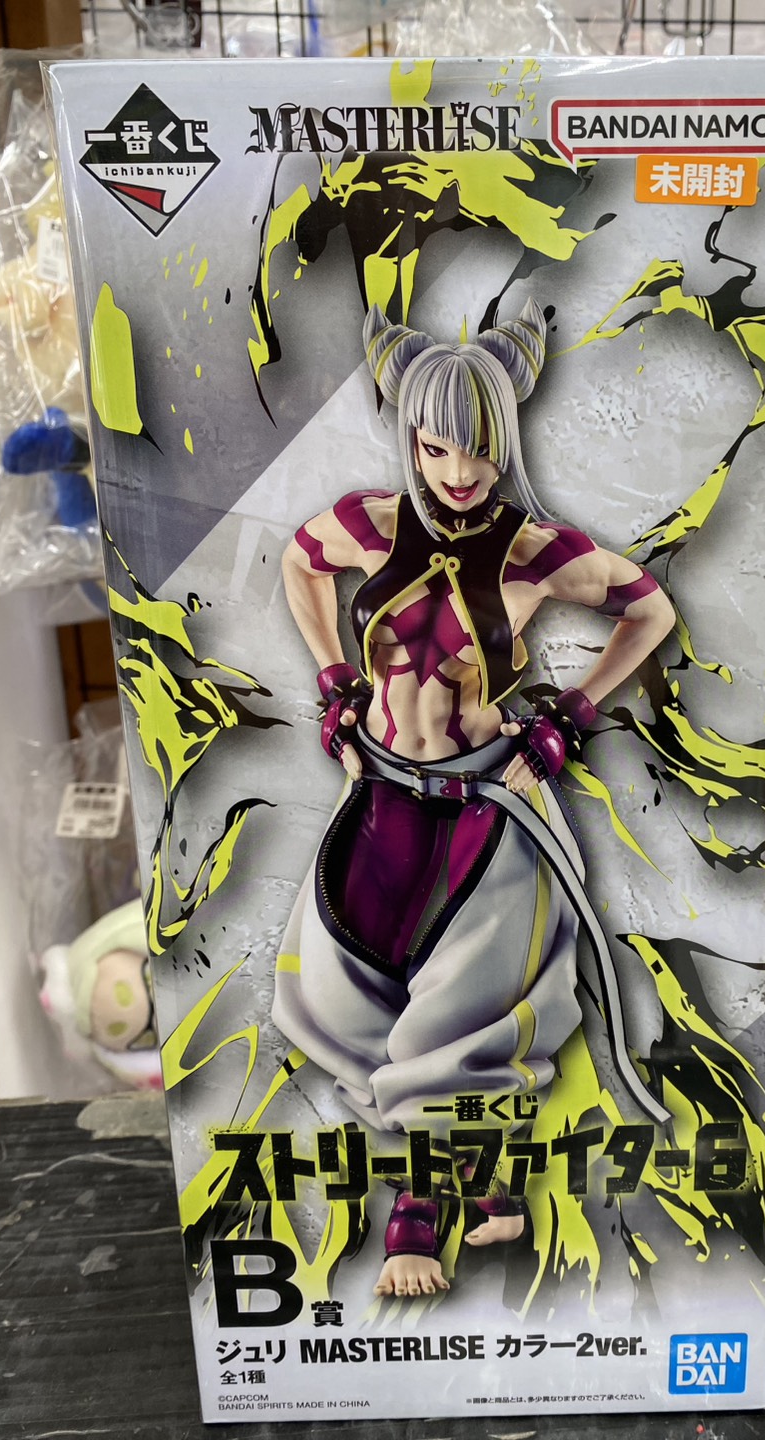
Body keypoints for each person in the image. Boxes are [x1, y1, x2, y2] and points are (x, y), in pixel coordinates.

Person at [273, 298, 675, 1298]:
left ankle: (419, 1213)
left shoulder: (533, 551)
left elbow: (650, 609)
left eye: (481, 450)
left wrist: (568, 717)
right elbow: (299, 562)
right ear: (413, 437)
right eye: (439, 446)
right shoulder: (371, 524)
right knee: (347, 999)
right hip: (380, 796)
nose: (460, 471)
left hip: (486, 809)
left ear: (507, 442)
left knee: (461, 1017)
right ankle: (489, 1183)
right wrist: (333, 681)